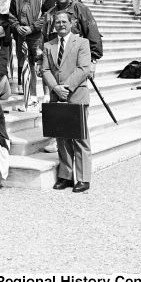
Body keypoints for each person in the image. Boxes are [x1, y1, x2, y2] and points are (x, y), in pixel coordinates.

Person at [42, 10, 92, 193]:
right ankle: (66, 175)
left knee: (80, 138)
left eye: (64, 21)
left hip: (76, 95)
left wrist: (66, 87)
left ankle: (83, 178)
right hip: (57, 96)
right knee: (61, 137)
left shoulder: (82, 43)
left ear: (71, 23)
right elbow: (45, 69)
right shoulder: (49, 45)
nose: (61, 25)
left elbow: (84, 68)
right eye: (57, 22)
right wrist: (56, 88)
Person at [8, 0, 54, 110]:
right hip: (22, 36)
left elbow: (48, 14)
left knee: (43, 65)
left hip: (39, 35)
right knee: (28, 66)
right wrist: (17, 26)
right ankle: (32, 97)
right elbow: (11, 14)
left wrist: (32, 27)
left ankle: (47, 98)